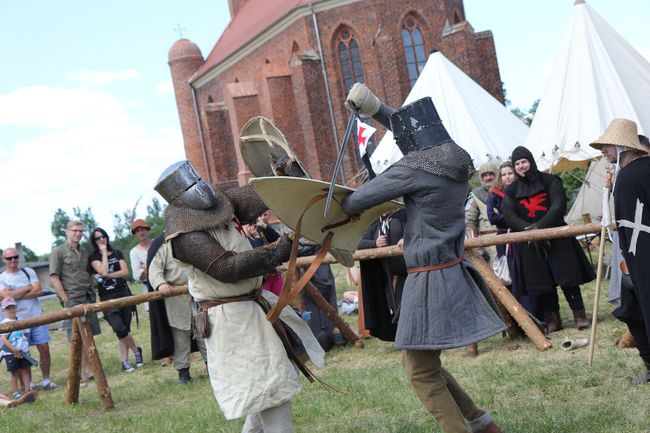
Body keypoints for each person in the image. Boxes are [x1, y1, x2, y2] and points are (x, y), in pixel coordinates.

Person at [341, 83, 505, 433]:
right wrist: (375, 107)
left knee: (420, 370)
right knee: (426, 362)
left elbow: (354, 202)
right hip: (450, 268)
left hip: (430, 277)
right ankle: (480, 421)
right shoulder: (454, 158)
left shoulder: (415, 168)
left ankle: (464, 428)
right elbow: (409, 129)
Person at [154, 160, 324, 432]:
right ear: (176, 198)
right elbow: (227, 267)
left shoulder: (220, 205)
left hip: (252, 311)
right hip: (232, 321)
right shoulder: (184, 235)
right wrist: (281, 247)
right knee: (269, 391)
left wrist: (283, 175)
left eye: (197, 180)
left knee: (267, 392)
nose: (199, 189)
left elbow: (261, 194)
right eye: (190, 186)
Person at [503, 146, 595, 332]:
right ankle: (554, 320)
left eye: (524, 162)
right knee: (542, 281)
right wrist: (529, 231)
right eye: (517, 164)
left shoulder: (550, 180)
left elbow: (558, 206)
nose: (521, 166)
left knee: (568, 278)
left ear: (531, 161)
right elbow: (509, 215)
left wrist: (540, 228)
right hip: (529, 241)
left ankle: (579, 316)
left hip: (557, 236)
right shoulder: (512, 190)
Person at [591, 121, 650, 384]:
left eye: (607, 145)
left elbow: (632, 223)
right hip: (638, 254)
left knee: (640, 310)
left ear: (621, 144)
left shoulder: (630, 175)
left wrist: (627, 256)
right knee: (633, 309)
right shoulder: (636, 171)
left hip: (642, 256)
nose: (603, 150)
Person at [148, 231, 207, 384]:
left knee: (204, 330)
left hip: (199, 292)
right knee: (181, 335)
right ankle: (183, 372)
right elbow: (154, 269)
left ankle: (211, 365)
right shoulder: (164, 246)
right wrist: (161, 284)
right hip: (176, 296)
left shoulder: (192, 239)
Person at [486, 162, 542, 320]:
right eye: (503, 174)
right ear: (500, 177)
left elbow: (529, 214)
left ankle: (537, 314)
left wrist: (506, 215)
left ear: (515, 174)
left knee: (529, 273)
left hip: (524, 237)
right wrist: (512, 216)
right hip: (506, 240)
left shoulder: (523, 190)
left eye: (509, 173)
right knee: (514, 277)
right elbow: (492, 217)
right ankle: (521, 318)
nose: (507, 177)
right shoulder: (494, 194)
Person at [50, 220, 101, 382]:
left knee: (88, 335)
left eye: (81, 231)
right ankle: (79, 373)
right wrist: (65, 299)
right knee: (75, 338)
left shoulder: (84, 252)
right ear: (67, 231)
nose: (78, 233)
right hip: (73, 299)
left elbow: (87, 274)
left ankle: (89, 369)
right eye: (75, 230)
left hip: (88, 297)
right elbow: (54, 277)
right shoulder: (58, 252)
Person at [0, 248, 58, 390]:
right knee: (20, 352)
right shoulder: (2, 278)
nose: (13, 260)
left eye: (15, 257)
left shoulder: (29, 272)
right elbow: (6, 296)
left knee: (44, 348)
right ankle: (29, 384)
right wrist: (27, 288)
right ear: (4, 260)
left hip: (35, 315)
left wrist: (14, 294)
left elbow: (38, 291)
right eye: (9, 258)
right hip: (15, 321)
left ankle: (46, 380)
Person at [88, 227, 144, 372]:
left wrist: (108, 275)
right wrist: (104, 254)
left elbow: (125, 272)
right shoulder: (93, 258)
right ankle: (136, 350)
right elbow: (103, 271)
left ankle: (124, 361)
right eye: (97, 238)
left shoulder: (117, 253)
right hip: (107, 297)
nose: (101, 240)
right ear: (94, 242)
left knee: (124, 329)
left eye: (103, 236)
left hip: (123, 293)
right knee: (118, 327)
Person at [356, 209, 407, 342]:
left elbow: (417, 229)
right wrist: (375, 243)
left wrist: (407, 237)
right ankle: (401, 337)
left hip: (408, 275)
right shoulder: (376, 223)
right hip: (386, 277)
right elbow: (358, 243)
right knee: (393, 308)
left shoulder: (404, 215)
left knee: (407, 307)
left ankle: (409, 337)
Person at [0, 298, 36, 400]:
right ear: (3, 310)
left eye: (13, 307)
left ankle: (27, 390)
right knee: (14, 372)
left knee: (25, 370)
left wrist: (25, 347)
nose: (11, 310)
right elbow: (4, 339)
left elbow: (26, 334)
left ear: (16, 307)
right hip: (10, 353)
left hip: (23, 351)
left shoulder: (21, 320)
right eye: (8, 308)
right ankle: (16, 392)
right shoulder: (4, 323)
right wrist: (13, 349)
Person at [466, 160, 499, 263]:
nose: (488, 177)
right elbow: (470, 222)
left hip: (508, 238)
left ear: (497, 175)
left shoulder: (506, 191)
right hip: (487, 243)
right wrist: (478, 248)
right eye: (484, 175)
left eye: (491, 174)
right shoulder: (475, 195)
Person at [245, 216, 283, 297]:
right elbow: (257, 255)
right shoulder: (245, 239)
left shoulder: (259, 231)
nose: (252, 226)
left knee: (279, 301)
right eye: (249, 223)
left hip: (275, 274)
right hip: (263, 279)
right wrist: (257, 238)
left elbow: (276, 239)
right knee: (268, 304)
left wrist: (264, 226)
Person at [130, 219, 152, 312]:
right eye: (138, 231)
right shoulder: (134, 252)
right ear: (135, 234)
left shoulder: (158, 244)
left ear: (147, 230)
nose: (141, 232)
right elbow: (137, 276)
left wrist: (146, 267)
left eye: (143, 229)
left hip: (166, 283)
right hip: (149, 288)